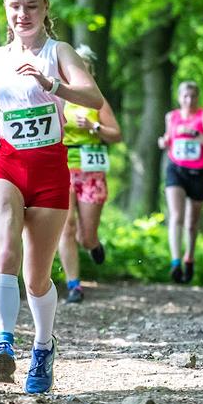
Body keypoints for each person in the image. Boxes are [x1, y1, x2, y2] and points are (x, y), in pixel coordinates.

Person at [0, 0, 104, 394]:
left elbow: (94, 98)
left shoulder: (58, 51)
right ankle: (2, 343)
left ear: (45, 9)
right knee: (5, 251)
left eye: (31, 5)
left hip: (49, 169)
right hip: (7, 164)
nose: (22, 13)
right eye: (14, 6)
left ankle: (43, 348)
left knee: (37, 279)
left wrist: (53, 84)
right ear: (6, 13)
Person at [58, 45, 122, 304]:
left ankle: (94, 245)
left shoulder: (98, 100)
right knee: (66, 227)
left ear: (90, 71)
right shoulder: (58, 97)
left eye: (83, 67)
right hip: (63, 166)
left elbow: (116, 134)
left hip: (91, 169)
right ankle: (74, 285)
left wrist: (95, 126)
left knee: (86, 236)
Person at [157, 81, 203, 284]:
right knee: (176, 216)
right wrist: (163, 141)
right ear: (179, 97)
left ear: (197, 98)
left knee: (192, 223)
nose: (189, 100)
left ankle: (189, 258)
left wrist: (197, 135)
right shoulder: (171, 117)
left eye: (193, 96)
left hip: (199, 173)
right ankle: (175, 262)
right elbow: (166, 139)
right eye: (185, 96)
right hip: (176, 169)